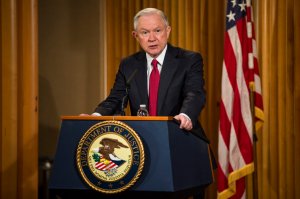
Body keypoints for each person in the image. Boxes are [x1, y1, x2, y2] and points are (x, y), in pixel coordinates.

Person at [83, 8, 210, 198]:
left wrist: (185, 115)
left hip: (181, 144)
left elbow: (195, 93)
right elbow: (116, 98)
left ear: (168, 31)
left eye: (157, 31)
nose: (152, 38)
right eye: (145, 32)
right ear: (136, 36)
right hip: (142, 148)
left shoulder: (188, 59)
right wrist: (95, 117)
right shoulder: (129, 64)